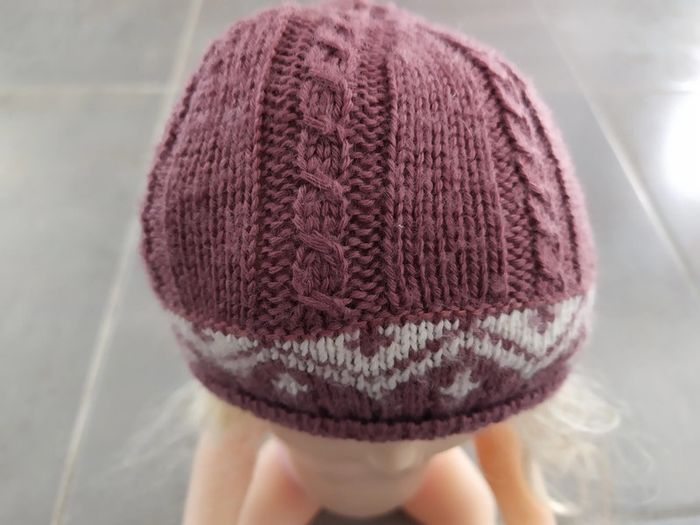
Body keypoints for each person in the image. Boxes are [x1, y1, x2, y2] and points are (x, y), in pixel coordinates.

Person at [138, 1, 615, 523]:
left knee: (473, 510)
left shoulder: (477, 395)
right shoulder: (245, 386)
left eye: (445, 432)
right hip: (294, 481)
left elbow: (506, 440)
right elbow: (225, 451)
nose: (399, 456)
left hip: (432, 486)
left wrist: (528, 511)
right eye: (335, 442)